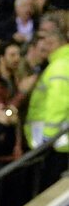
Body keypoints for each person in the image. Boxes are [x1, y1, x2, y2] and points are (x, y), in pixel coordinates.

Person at [25, 12, 69, 189]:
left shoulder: (60, 66)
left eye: (47, 43)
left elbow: (58, 103)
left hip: (56, 144)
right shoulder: (60, 63)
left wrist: (47, 138)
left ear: (54, 43)